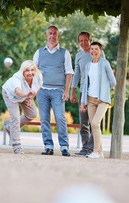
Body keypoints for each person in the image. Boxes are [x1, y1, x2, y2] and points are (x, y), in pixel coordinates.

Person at [33, 26, 74, 157]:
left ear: (58, 36)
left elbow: (69, 73)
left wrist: (66, 91)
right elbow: (33, 72)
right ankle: (48, 146)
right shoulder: (39, 52)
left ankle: (64, 147)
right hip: (42, 90)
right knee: (44, 119)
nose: (52, 36)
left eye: (54, 34)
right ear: (46, 36)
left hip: (58, 90)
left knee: (60, 118)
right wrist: (33, 90)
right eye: (50, 33)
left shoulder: (64, 53)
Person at [70, 32, 105, 156]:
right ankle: (86, 147)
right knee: (83, 122)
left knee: (94, 122)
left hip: (96, 93)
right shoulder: (79, 55)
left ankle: (93, 148)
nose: (83, 43)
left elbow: (104, 71)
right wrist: (72, 91)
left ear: (90, 40)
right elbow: (76, 74)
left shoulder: (97, 53)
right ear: (78, 42)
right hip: (84, 92)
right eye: (81, 41)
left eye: (86, 40)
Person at [80, 42, 116, 159]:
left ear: (100, 51)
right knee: (94, 126)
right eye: (92, 49)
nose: (93, 51)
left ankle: (96, 151)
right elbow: (85, 84)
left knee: (95, 123)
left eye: (96, 49)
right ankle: (100, 152)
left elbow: (113, 81)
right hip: (90, 100)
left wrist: (104, 91)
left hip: (102, 100)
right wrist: (83, 102)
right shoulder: (87, 65)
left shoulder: (105, 64)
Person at [2, 60, 43, 154]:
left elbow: (38, 87)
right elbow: (17, 91)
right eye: (27, 70)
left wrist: (30, 97)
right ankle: (16, 146)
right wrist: (26, 95)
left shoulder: (38, 76)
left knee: (32, 114)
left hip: (26, 94)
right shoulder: (17, 78)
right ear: (23, 71)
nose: (30, 73)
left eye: (32, 70)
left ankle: (9, 127)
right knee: (15, 118)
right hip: (10, 94)